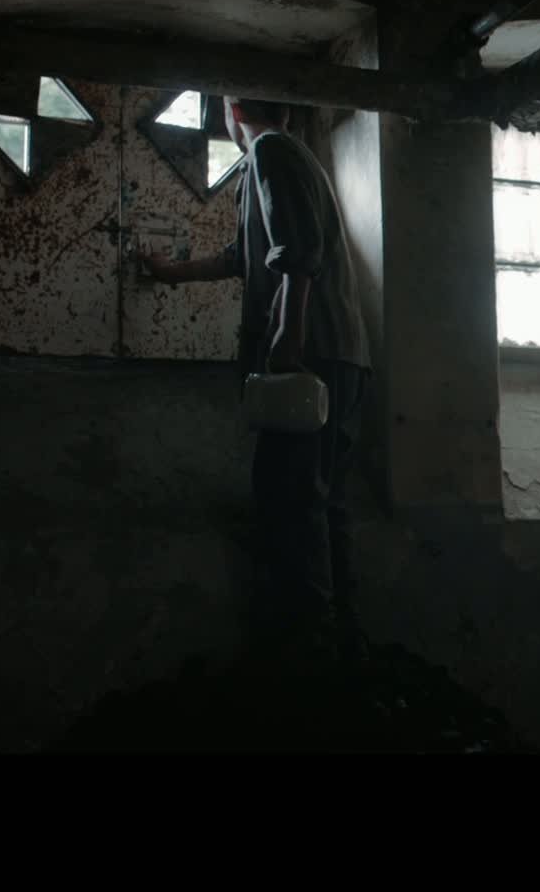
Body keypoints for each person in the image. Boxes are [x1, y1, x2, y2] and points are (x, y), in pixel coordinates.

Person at [143, 96, 372, 663]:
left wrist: (287, 336)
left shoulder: (271, 151)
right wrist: (171, 273)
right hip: (338, 354)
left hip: (312, 357)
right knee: (319, 501)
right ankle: (341, 642)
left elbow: (298, 252)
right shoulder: (272, 160)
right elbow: (243, 256)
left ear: (235, 109)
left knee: (293, 500)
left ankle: (310, 650)